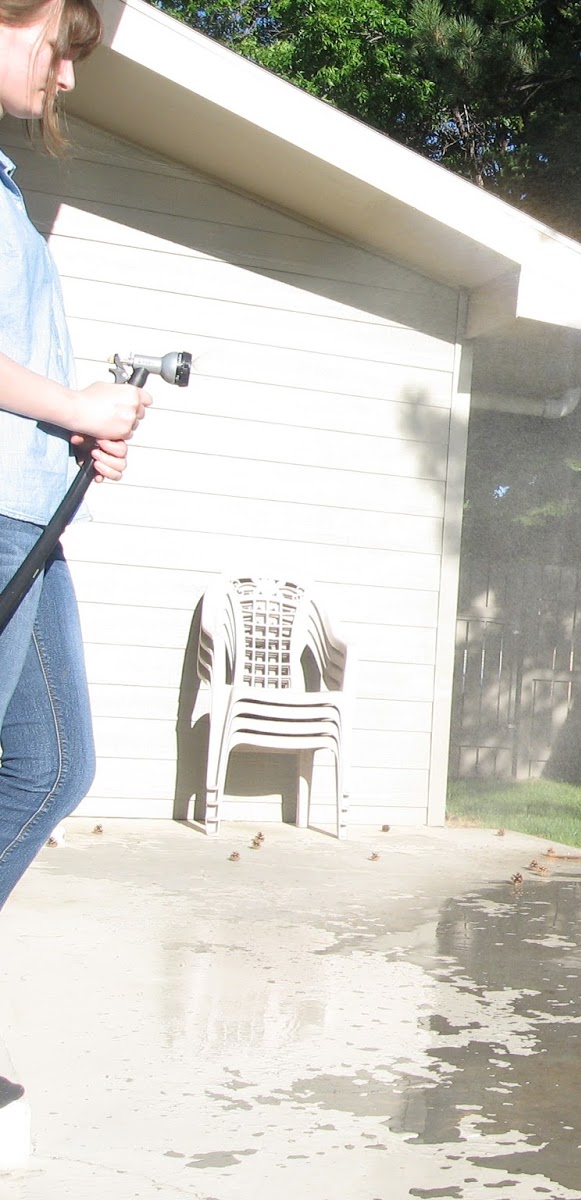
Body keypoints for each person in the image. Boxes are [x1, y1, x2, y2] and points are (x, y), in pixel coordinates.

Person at [0, 0, 152, 1169]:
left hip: (30, 522)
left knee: (55, 763)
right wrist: (71, 408)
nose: (65, 75)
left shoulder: (4, 188)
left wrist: (80, 430)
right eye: (56, 44)